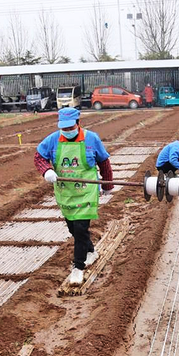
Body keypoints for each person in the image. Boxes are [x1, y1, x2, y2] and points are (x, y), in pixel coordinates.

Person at [34, 107, 113, 286]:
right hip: (65, 193)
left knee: (79, 228)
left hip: (86, 192)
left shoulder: (92, 138)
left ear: (78, 123)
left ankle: (78, 267)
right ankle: (91, 251)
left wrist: (107, 185)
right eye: (64, 128)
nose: (67, 131)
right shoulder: (53, 140)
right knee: (73, 228)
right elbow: (39, 157)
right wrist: (46, 170)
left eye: (71, 128)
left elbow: (104, 162)